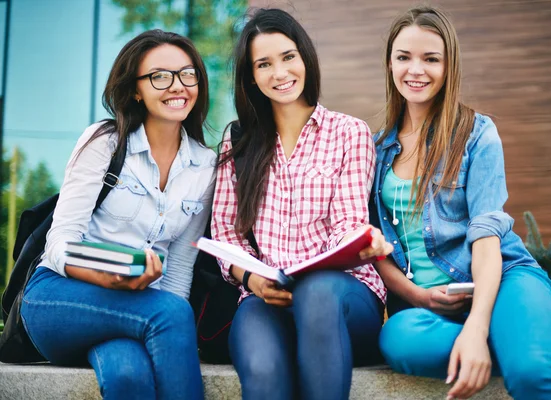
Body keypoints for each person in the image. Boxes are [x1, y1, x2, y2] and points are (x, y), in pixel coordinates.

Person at [371, 5, 551, 400]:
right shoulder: (375, 149)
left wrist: (477, 328)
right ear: (390, 63)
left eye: (431, 59)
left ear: (449, 66)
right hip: (431, 307)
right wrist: (417, 296)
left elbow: (486, 239)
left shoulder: (477, 135)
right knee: (398, 340)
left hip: (506, 278)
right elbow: (375, 247)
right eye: (403, 57)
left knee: (529, 375)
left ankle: (523, 350)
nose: (416, 70)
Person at [20, 30, 215, 400]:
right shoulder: (104, 142)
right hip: (60, 298)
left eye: (188, 74)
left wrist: (148, 301)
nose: (178, 86)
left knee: (128, 375)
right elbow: (60, 244)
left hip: (137, 310)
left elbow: (178, 273)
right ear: (136, 90)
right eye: (160, 76)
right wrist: (108, 277)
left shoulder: (205, 167)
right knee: (171, 313)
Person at [211, 8, 393, 400]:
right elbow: (226, 233)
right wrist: (252, 279)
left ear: (305, 58)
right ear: (251, 76)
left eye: (288, 57)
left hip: (344, 297)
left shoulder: (349, 132)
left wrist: (362, 241)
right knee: (262, 370)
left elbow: (349, 220)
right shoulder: (239, 141)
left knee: (317, 294)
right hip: (265, 296)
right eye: (264, 64)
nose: (280, 73)